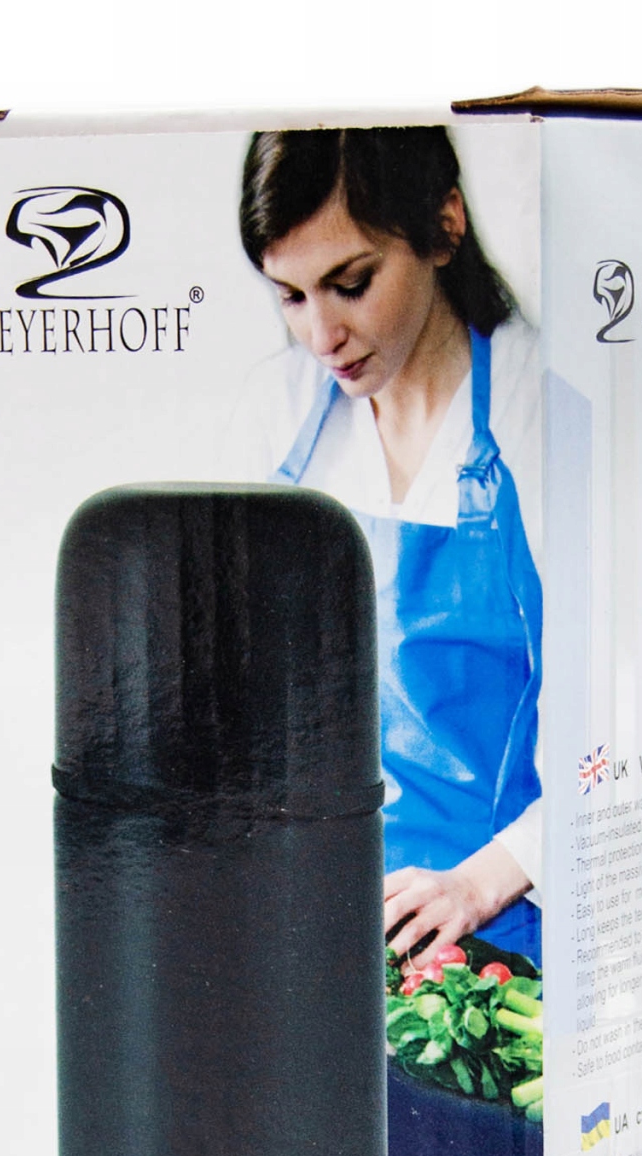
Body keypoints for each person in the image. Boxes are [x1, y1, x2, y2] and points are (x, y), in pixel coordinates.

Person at [231, 128, 544, 968]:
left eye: (352, 285)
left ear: (445, 227)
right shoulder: (277, 411)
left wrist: (478, 884)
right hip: (326, 904)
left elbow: (620, 730)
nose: (321, 335)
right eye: (291, 297)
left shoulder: (542, 409)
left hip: (501, 924)